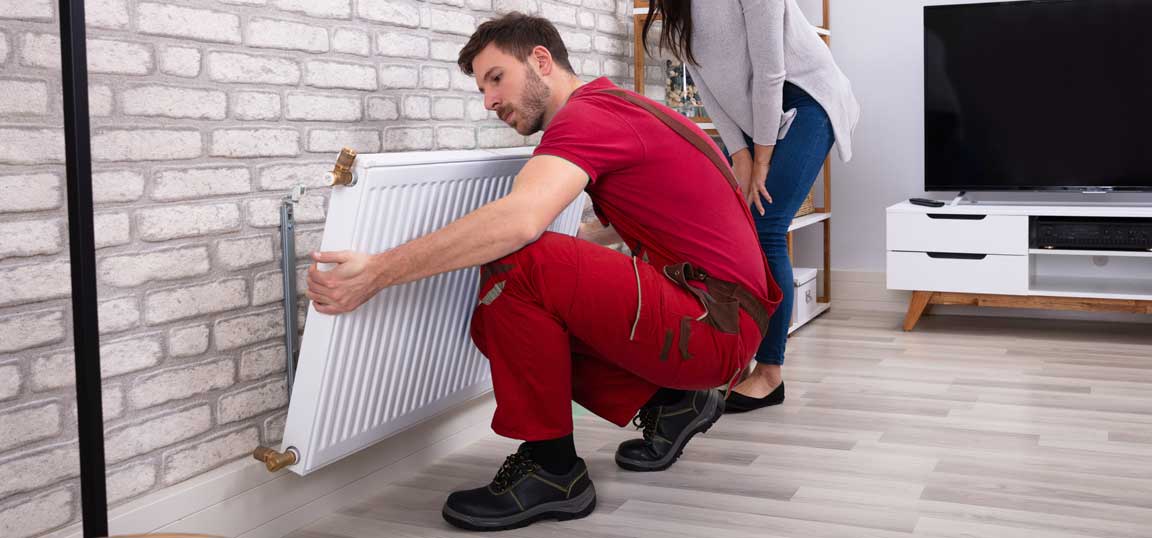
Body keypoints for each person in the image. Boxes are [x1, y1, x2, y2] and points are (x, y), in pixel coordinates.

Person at [305, 12, 780, 532]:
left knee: (518, 263)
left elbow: (520, 222)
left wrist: (376, 272)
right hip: (723, 315)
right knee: (508, 312)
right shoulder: (618, 108)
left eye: (495, 78)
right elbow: (621, 233)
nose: (488, 101)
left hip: (714, 326)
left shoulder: (587, 118)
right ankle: (670, 403)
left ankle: (554, 472)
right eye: (482, 88)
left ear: (540, 60)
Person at [644, 0, 859, 412]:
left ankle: (769, 373)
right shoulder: (677, 6)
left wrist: (761, 157)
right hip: (752, 113)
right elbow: (704, 83)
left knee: (765, 226)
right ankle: (730, 355)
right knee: (724, 226)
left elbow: (771, 70)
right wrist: (740, 154)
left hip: (805, 96)